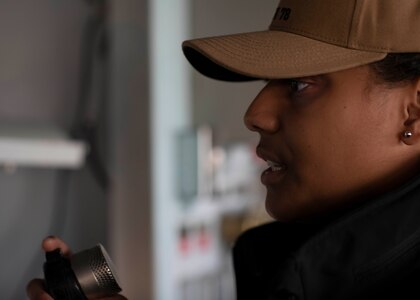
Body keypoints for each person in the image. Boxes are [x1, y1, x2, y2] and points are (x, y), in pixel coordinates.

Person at [28, 0, 420, 299]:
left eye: (299, 84)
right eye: (268, 82)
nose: (255, 114)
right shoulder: (292, 267)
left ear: (414, 112)